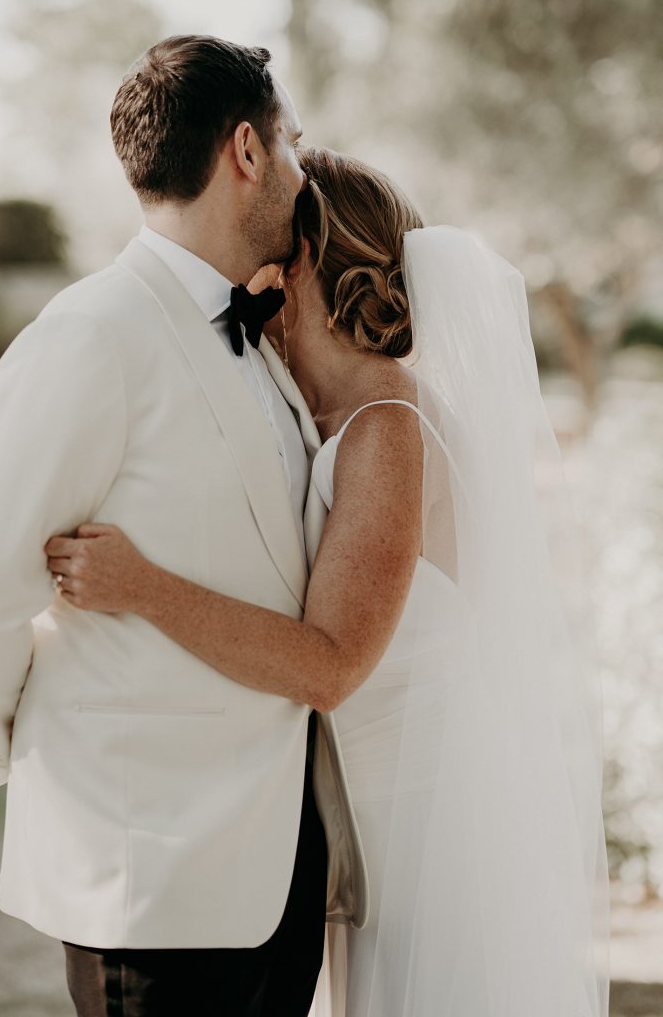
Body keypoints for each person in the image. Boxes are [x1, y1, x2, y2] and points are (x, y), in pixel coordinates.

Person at [46, 147, 611, 1017]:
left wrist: (141, 585)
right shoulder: (332, 413)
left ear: (295, 263)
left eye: (257, 244)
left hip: (430, 848)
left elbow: (331, 664)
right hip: (368, 833)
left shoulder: (388, 424)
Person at [0, 37, 368, 1017]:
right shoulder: (90, 337)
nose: (299, 172)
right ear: (246, 150)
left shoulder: (259, 332)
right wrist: (49, 756)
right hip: (149, 876)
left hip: (278, 875)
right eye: (290, 145)